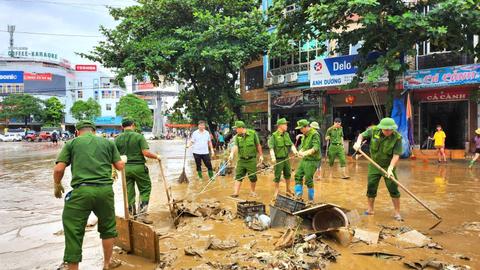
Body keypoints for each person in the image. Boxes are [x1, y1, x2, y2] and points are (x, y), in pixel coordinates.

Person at [53, 120, 125, 270]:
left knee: (73, 230)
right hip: (105, 191)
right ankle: (107, 263)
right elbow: (119, 166)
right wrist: (121, 160)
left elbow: (59, 169)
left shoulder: (72, 143)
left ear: (78, 132)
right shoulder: (108, 143)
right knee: (108, 228)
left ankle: (73, 267)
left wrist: (57, 184)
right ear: (94, 131)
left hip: (81, 192)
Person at [353, 117, 403, 221]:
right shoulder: (373, 130)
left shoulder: (397, 138)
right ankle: (370, 209)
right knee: (371, 186)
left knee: (393, 187)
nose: (388, 132)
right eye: (386, 130)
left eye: (390, 130)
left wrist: (390, 168)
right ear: (381, 128)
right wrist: (358, 143)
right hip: (374, 164)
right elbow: (361, 135)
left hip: (388, 166)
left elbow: (396, 155)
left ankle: (397, 212)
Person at [115, 118, 161, 224]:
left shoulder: (117, 139)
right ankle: (141, 215)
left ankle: (131, 215)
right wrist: (157, 156)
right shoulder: (138, 137)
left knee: (129, 192)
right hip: (139, 167)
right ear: (133, 125)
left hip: (124, 169)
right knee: (145, 189)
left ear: (122, 127)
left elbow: (114, 156)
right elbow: (145, 152)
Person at [229, 120, 263, 198]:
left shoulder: (252, 133)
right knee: (238, 176)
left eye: (236, 128)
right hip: (241, 160)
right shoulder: (237, 136)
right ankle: (235, 193)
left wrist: (261, 155)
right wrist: (231, 154)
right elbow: (235, 146)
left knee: (253, 177)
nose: (236, 130)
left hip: (251, 160)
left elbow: (258, 145)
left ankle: (252, 191)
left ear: (241, 128)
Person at [268, 118, 298, 198]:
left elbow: (291, 144)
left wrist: (295, 151)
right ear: (280, 126)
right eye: (285, 124)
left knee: (288, 174)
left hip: (286, 158)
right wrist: (273, 157)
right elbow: (271, 147)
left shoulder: (286, 134)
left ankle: (288, 189)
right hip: (278, 159)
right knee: (277, 176)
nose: (286, 126)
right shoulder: (274, 136)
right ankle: (276, 191)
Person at [294, 119, 321, 202]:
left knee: (308, 178)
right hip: (304, 159)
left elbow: (315, 148)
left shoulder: (315, 134)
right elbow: (303, 146)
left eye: (301, 128)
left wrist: (306, 153)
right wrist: (300, 152)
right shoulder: (304, 135)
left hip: (312, 160)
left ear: (306, 127)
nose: (300, 130)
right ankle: (298, 195)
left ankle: (310, 199)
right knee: (298, 175)